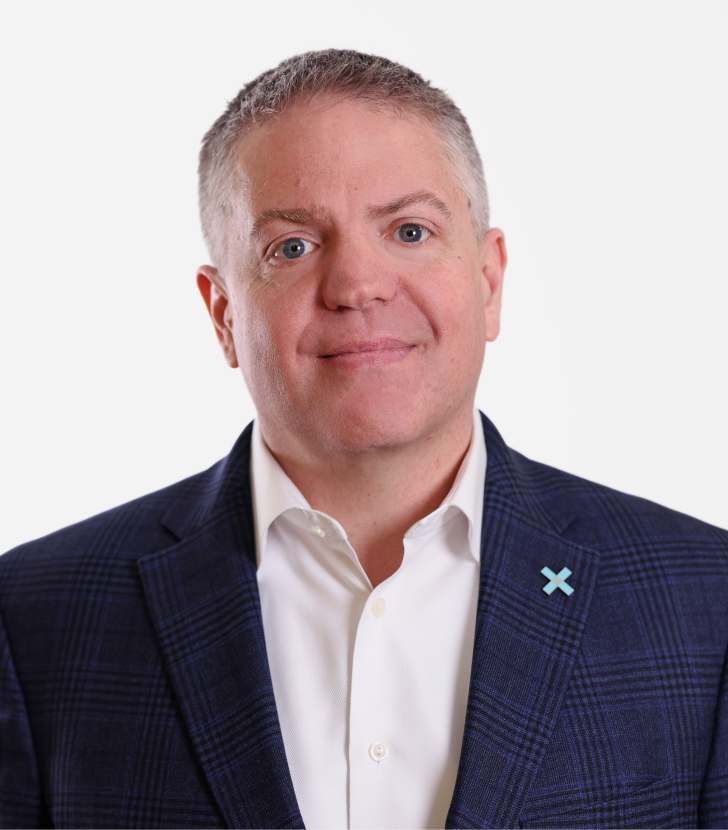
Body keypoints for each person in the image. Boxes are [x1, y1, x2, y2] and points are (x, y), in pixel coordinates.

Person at [0, 48, 726, 830]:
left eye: (409, 230)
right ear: (222, 314)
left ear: (488, 282)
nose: (356, 286)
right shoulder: (33, 616)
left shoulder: (707, 603)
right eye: (292, 247)